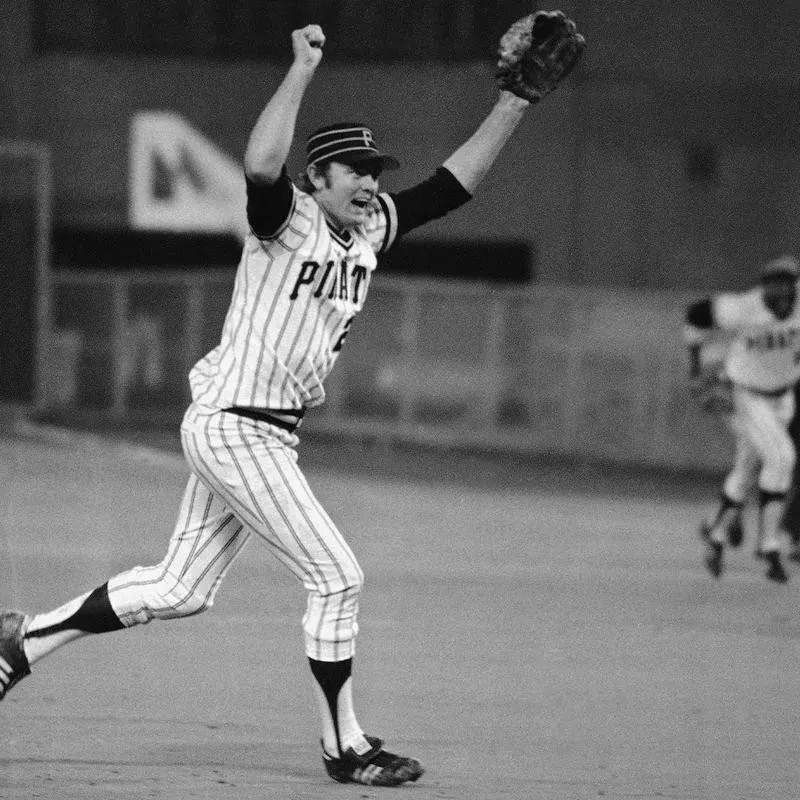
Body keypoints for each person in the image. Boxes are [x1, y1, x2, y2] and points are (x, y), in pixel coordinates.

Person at [0, 19, 584, 786]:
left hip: (263, 435)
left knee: (181, 590)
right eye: (353, 168)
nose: (369, 180)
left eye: (375, 169)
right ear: (319, 178)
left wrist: (513, 104)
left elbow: (452, 187)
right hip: (236, 425)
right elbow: (261, 162)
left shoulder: (371, 229)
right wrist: (301, 70)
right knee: (337, 577)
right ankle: (344, 747)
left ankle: (22, 642)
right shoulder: (286, 221)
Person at [685, 254, 800, 583]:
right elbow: (695, 314)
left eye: (786, 283)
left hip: (783, 397)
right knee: (782, 457)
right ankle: (768, 545)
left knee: (746, 471)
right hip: (747, 395)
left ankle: (716, 534)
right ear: (762, 286)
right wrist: (695, 368)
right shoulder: (743, 308)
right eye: (772, 283)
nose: (779, 290)